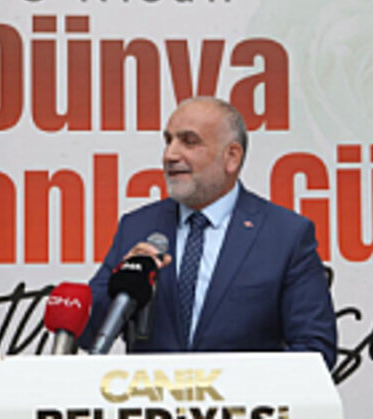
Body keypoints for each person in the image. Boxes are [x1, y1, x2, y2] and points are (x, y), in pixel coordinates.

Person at [78, 97, 337, 368]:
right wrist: (121, 284)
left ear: (231, 157)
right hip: (153, 395)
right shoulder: (138, 227)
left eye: (189, 142)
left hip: (242, 395)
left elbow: (315, 350)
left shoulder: (285, 234)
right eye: (168, 141)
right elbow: (87, 333)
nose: (170, 155)